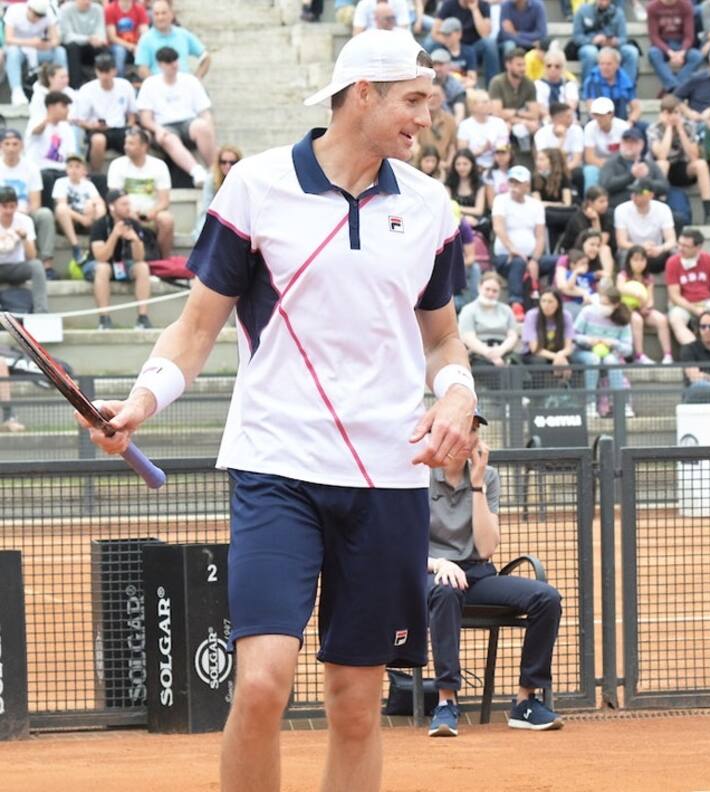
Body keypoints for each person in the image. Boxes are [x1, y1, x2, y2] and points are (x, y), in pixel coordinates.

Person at [85, 31, 478, 792]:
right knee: (262, 683)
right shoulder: (257, 187)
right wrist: (140, 401)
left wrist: (458, 391)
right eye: (414, 99)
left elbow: (444, 338)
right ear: (362, 92)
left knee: (357, 703)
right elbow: (196, 329)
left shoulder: (430, 207)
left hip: (388, 478)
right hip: (277, 468)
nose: (427, 117)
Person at [425, 414, 564, 736]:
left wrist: (476, 485)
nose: (468, 436)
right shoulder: (419, 477)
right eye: (462, 428)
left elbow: (487, 548)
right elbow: (402, 547)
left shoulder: (487, 476)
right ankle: (446, 702)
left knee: (547, 598)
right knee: (446, 591)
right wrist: (440, 564)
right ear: (441, 434)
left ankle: (526, 701)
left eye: (473, 429)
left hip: (478, 574)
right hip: (432, 573)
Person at [136, 45, 217, 188]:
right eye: (169, 62)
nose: (173, 65)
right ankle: (196, 171)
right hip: (163, 126)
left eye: (175, 61)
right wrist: (158, 129)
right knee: (168, 138)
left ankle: (214, 169)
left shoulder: (190, 81)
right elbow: (145, 119)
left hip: (188, 123)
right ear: (160, 65)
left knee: (202, 126)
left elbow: (205, 112)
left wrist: (209, 129)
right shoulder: (150, 84)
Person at [85, 187, 151, 329]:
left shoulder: (133, 224)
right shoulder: (100, 224)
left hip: (123, 264)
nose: (128, 208)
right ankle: (104, 319)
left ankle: (143, 318)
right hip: (97, 265)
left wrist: (136, 241)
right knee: (103, 268)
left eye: (129, 203)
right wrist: (114, 235)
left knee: (143, 267)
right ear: (112, 207)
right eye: (124, 204)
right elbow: (101, 257)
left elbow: (139, 258)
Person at [0, 129, 59, 285]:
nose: (11, 148)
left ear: (22, 146)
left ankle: (47, 265)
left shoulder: (31, 167)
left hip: (26, 213)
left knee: (45, 214)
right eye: (7, 144)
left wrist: (20, 213)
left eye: (15, 144)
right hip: (1, 215)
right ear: (1, 146)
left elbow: (36, 201)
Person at [106, 126, 174, 257]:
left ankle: (163, 261)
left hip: (151, 214)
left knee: (167, 220)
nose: (126, 146)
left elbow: (164, 201)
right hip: (125, 213)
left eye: (131, 143)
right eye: (126, 143)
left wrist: (152, 212)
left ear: (144, 146)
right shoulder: (117, 165)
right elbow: (114, 198)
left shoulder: (159, 166)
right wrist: (129, 212)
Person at [493, 165, 552, 311]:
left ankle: (551, 297)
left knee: (557, 261)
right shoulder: (500, 200)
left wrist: (535, 260)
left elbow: (540, 236)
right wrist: (513, 250)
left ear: (527, 185)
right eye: (511, 182)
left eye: (518, 183)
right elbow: (498, 227)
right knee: (518, 262)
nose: (514, 186)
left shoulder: (537, 205)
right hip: (505, 256)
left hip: (532, 256)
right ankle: (516, 303)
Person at [647, 94, 710, 223]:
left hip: (682, 167)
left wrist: (681, 130)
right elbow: (661, 155)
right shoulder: (654, 129)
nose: (673, 116)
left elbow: (694, 156)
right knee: (663, 164)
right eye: (669, 113)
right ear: (662, 114)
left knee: (700, 164)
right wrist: (668, 129)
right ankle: (658, 203)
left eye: (676, 112)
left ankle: (708, 210)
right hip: (661, 172)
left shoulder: (689, 127)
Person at [571, 286, 634, 417]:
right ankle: (590, 404)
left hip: (608, 354)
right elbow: (573, 336)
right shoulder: (587, 312)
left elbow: (628, 349)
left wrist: (613, 343)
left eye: (606, 304)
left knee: (611, 361)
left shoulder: (623, 320)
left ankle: (621, 404)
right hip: (583, 352)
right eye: (601, 302)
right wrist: (588, 340)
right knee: (593, 359)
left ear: (616, 305)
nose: (601, 306)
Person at [72, 53, 137, 175]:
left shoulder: (125, 86)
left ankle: (135, 173)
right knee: (98, 140)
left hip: (120, 128)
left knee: (137, 137)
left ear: (114, 71)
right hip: (96, 129)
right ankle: (96, 175)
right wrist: (92, 126)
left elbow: (132, 113)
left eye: (107, 72)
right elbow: (79, 119)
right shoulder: (87, 89)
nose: (104, 76)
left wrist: (130, 127)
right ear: (96, 72)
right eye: (101, 72)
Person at [3, 0, 68, 106]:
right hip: (19, 49)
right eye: (36, 15)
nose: (37, 18)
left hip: (38, 50)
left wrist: (48, 44)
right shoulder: (14, 11)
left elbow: (56, 40)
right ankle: (17, 91)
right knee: (13, 52)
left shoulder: (49, 13)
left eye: (41, 16)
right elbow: (8, 39)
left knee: (60, 51)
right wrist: (30, 42)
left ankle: (62, 87)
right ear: (29, 9)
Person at [618, 246, 672, 364]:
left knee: (661, 319)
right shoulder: (623, 275)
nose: (639, 263)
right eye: (635, 260)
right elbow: (620, 289)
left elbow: (650, 299)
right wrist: (636, 294)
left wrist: (646, 307)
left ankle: (668, 355)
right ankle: (639, 355)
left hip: (643, 309)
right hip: (625, 310)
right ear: (629, 261)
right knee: (637, 320)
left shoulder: (648, 278)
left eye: (642, 260)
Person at [0, 186, 48, 315]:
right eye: (4, 206)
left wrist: (24, 238)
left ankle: (41, 312)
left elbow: (32, 255)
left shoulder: (25, 221)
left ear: (16, 206)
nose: (8, 211)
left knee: (37, 265)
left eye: (12, 206)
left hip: (17, 267)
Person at [613, 177, 676, 274]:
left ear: (650, 195)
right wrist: (641, 247)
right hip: (632, 251)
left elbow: (671, 240)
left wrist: (660, 249)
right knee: (624, 254)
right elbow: (622, 242)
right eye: (633, 193)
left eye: (638, 193)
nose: (634, 196)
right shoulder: (621, 210)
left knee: (674, 254)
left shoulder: (663, 209)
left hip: (655, 252)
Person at [25, 91, 79, 201]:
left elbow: (71, 154)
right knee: (48, 177)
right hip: (40, 168)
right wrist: (48, 121)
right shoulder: (36, 120)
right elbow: (36, 132)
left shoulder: (66, 127)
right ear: (51, 107)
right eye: (63, 106)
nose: (67, 110)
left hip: (61, 169)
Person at [134, 0, 209, 79]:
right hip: (159, 87)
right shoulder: (146, 39)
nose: (160, 17)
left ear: (172, 15)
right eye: (156, 14)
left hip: (184, 86)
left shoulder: (183, 34)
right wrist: (156, 86)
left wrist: (196, 79)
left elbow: (206, 57)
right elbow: (142, 69)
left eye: (164, 13)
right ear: (152, 17)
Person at [572, 0, 639, 86]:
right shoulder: (582, 11)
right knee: (590, 52)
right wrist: (592, 40)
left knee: (631, 51)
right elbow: (577, 37)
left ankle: (627, 90)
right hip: (591, 45)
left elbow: (623, 38)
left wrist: (615, 41)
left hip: (613, 47)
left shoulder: (618, 13)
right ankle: (589, 91)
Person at [53, 154, 105, 263]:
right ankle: (75, 246)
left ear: (83, 170)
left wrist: (92, 207)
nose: (74, 170)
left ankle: (99, 242)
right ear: (66, 169)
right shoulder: (61, 183)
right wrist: (82, 219)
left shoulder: (89, 185)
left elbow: (99, 202)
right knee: (61, 208)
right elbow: (61, 204)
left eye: (77, 166)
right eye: (70, 166)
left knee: (97, 206)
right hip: (70, 220)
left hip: (88, 218)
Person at [432, 0, 499, 84]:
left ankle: (493, 85)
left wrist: (475, 10)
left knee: (489, 43)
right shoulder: (448, 4)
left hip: (475, 46)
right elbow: (435, 33)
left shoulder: (483, 5)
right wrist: (451, 43)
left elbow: (485, 33)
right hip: (452, 46)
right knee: (430, 43)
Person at [599, 128, 667, 207]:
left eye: (633, 142)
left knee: (679, 218)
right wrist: (631, 176)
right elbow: (605, 186)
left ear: (641, 145)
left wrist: (646, 181)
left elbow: (664, 187)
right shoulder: (611, 163)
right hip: (620, 206)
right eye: (626, 142)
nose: (629, 145)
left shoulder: (650, 164)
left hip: (649, 206)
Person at [521, 289, 575, 385]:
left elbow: (568, 347)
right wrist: (558, 357)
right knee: (539, 362)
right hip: (534, 354)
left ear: (558, 303)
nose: (546, 305)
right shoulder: (532, 315)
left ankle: (565, 393)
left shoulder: (566, 316)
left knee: (571, 361)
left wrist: (560, 355)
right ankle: (540, 397)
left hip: (557, 351)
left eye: (550, 301)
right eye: (543, 301)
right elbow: (535, 349)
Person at [646, 0, 702, 95]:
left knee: (697, 56)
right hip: (662, 45)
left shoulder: (686, 5)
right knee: (653, 53)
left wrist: (682, 51)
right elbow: (654, 37)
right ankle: (675, 89)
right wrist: (669, 52)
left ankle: (671, 88)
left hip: (681, 44)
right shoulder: (653, 7)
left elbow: (689, 36)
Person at [192, 144, 242, 243]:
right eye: (223, 162)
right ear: (218, 163)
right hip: (215, 217)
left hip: (236, 219)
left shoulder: (242, 180)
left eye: (232, 162)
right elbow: (208, 208)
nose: (228, 166)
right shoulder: (211, 180)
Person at [582, 96, 629, 191]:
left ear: (611, 114)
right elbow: (589, 157)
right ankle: (591, 201)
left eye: (602, 115)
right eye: (596, 115)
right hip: (598, 163)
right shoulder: (590, 128)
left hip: (619, 164)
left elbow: (627, 153)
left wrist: (612, 166)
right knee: (590, 171)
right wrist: (608, 166)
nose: (598, 118)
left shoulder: (624, 127)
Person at [60, 0, 108, 89]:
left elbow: (101, 32)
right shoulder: (65, 9)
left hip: (92, 45)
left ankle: (104, 82)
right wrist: (87, 39)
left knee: (102, 48)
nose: (87, 2)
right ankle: (76, 86)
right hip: (73, 46)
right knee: (73, 47)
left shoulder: (98, 9)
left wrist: (98, 40)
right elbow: (66, 36)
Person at [105, 0, 149, 78]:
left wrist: (140, 46)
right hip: (116, 45)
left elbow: (145, 32)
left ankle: (146, 80)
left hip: (136, 44)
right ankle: (119, 80)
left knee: (145, 49)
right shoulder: (110, 9)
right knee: (120, 51)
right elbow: (112, 37)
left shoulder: (139, 8)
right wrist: (130, 46)